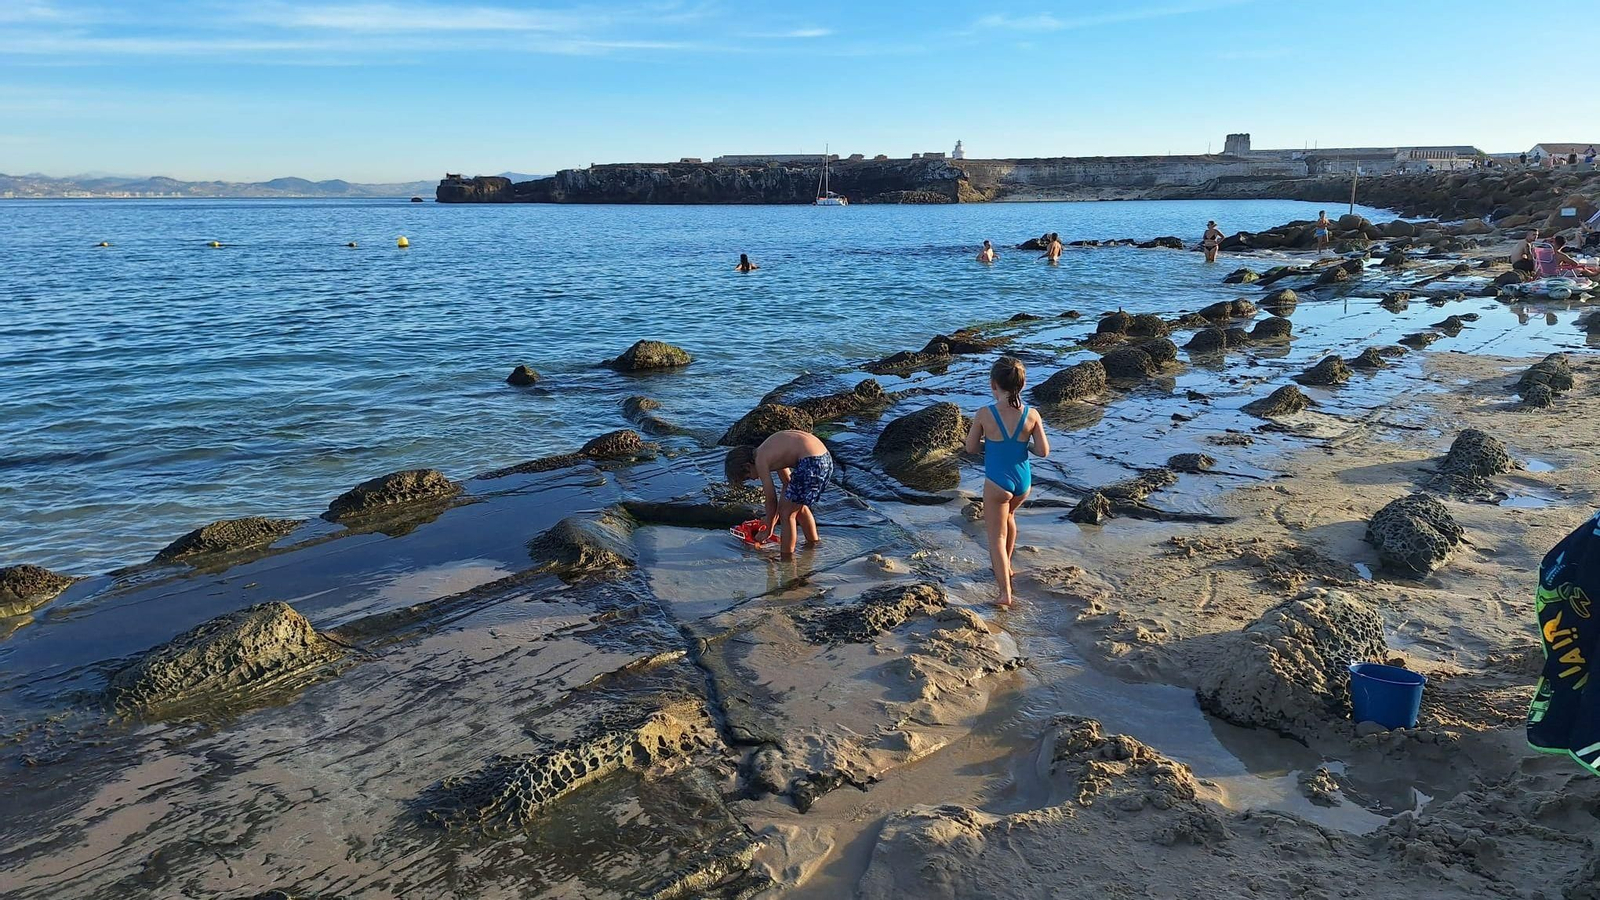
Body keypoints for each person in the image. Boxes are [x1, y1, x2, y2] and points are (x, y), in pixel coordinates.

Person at [963, 357, 1050, 608]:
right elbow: (1043, 451)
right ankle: (1008, 567)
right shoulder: (1032, 414)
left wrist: (991, 444)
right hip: (1023, 482)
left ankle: (1004, 593)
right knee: (1010, 516)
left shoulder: (984, 413)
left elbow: (970, 448)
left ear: (993, 384)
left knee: (995, 539)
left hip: (997, 482)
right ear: (1021, 386)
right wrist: (1022, 444)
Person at [724, 431, 831, 558]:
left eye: (748, 477)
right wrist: (772, 520)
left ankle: (787, 557)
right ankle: (813, 542)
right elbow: (787, 483)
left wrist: (768, 528)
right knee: (797, 505)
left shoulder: (760, 460)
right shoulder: (770, 449)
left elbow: (771, 498)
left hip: (811, 462)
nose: (753, 479)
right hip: (824, 459)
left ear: (748, 465)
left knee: (787, 513)